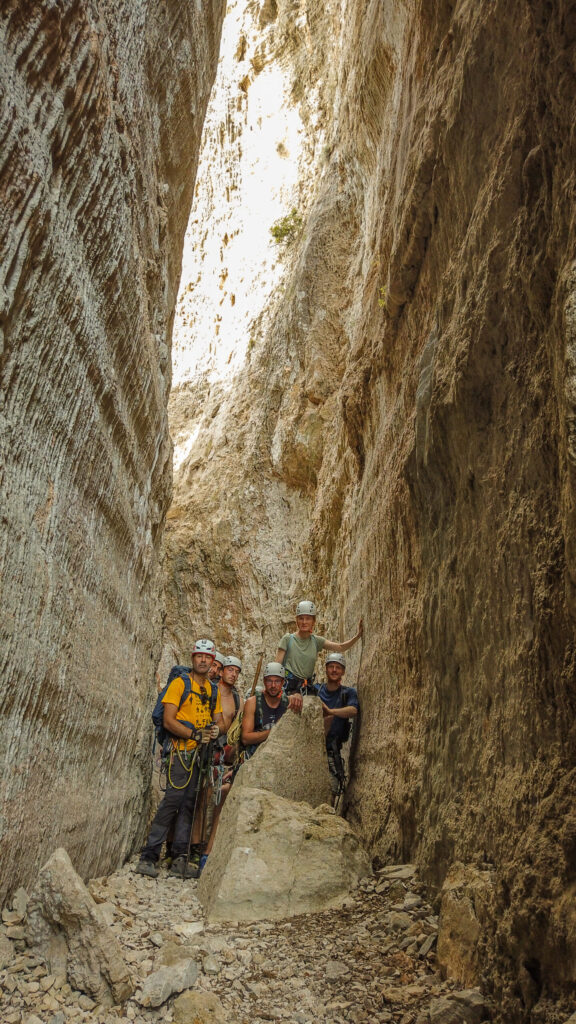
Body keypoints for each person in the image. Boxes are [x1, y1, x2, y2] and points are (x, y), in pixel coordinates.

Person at [136, 639, 224, 879]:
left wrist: (216, 730)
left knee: (189, 804)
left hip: (198, 756)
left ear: (213, 661)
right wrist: (194, 734)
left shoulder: (212, 690)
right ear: (193, 658)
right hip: (180, 752)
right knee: (173, 801)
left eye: (208, 657)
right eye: (199, 656)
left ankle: (180, 858)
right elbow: (169, 720)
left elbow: (221, 720)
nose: (203, 660)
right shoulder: (179, 684)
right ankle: (149, 855)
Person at [200, 655, 244, 872]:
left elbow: (237, 729)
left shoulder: (236, 698)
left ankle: (207, 850)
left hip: (222, 755)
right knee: (201, 797)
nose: (233, 674)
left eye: (237, 671)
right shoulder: (209, 690)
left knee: (218, 798)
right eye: (230, 670)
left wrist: (233, 755)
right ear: (222, 670)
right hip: (204, 748)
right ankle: (189, 847)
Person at [275, 600, 363, 695]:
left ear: (313, 621)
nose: (304, 622)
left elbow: (340, 647)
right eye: (301, 618)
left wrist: (357, 636)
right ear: (296, 620)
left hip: (305, 687)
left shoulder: (316, 641)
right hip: (288, 685)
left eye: (308, 618)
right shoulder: (287, 639)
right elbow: (277, 666)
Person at [317, 652, 359, 801]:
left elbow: (353, 710)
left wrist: (330, 712)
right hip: (312, 747)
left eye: (338, 667)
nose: (334, 670)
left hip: (332, 750)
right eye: (331, 667)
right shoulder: (317, 690)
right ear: (326, 669)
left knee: (331, 790)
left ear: (343, 671)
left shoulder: (348, 693)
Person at [241, 663, 302, 757]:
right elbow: (245, 738)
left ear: (282, 682)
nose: (273, 685)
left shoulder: (289, 702)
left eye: (277, 681)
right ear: (264, 682)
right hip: (255, 756)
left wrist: (299, 697)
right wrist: (274, 730)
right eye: (269, 681)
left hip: (281, 756)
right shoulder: (253, 702)